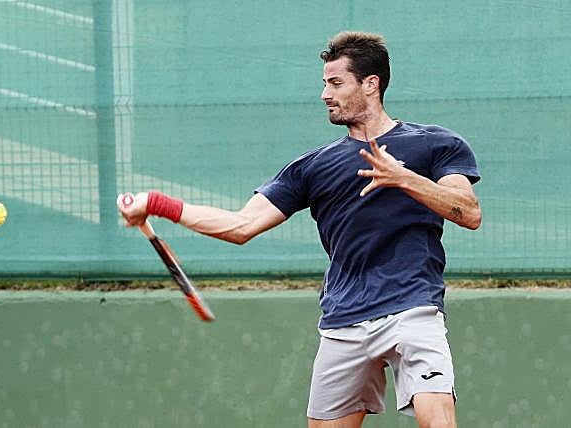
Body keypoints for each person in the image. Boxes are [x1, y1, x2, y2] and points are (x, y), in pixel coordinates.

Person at [117, 31, 481, 428]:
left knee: (438, 422)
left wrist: (404, 178)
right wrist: (157, 203)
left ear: (371, 84)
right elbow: (241, 226)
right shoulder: (312, 167)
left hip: (412, 308)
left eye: (336, 83)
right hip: (343, 318)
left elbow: (468, 212)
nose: (325, 94)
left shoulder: (434, 144)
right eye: (325, 83)